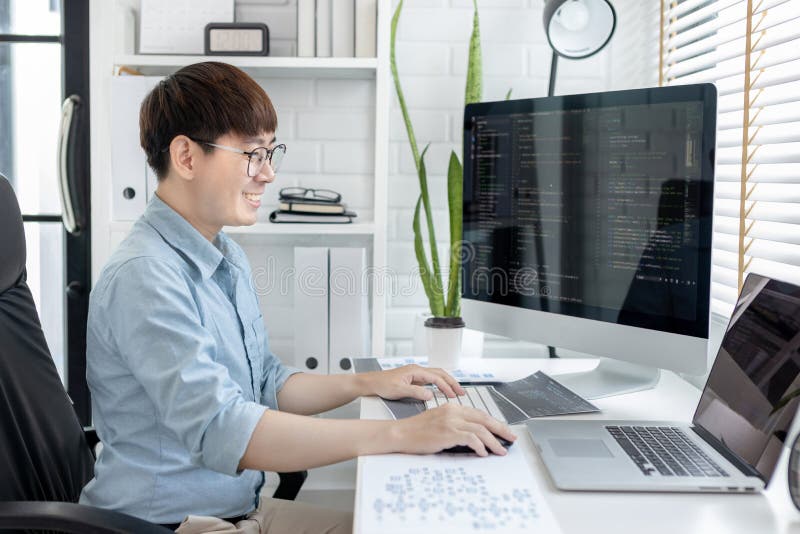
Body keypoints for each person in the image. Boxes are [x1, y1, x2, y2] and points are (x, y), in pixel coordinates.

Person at [79, 61, 515, 533]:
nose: (267, 174)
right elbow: (225, 430)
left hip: (240, 511)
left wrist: (368, 383)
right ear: (186, 157)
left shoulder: (223, 254)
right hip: (170, 524)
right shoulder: (146, 276)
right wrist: (403, 433)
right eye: (252, 154)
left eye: (271, 153)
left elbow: (266, 383)